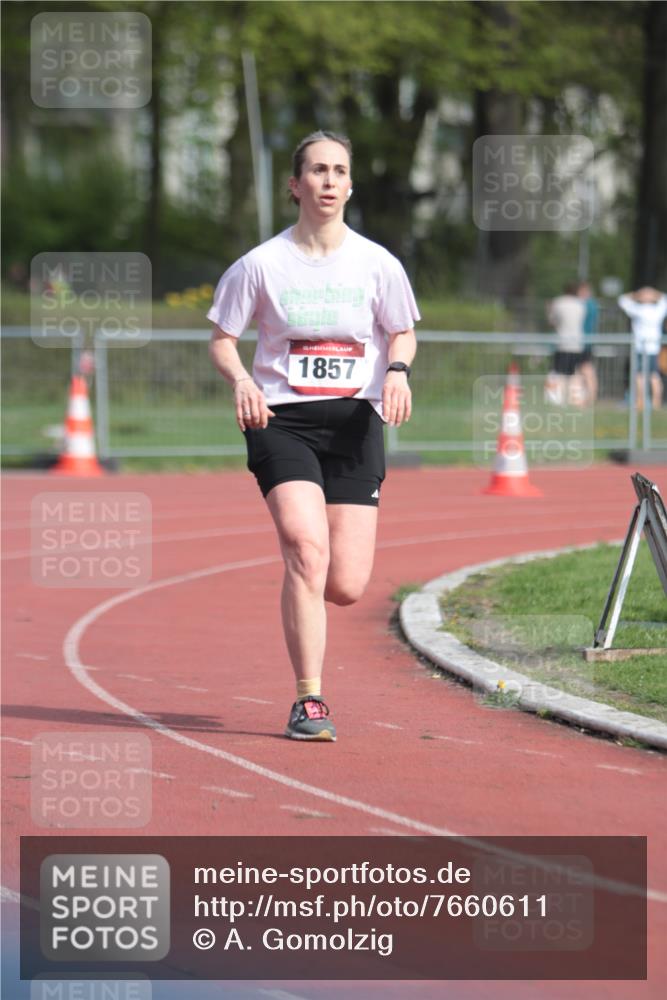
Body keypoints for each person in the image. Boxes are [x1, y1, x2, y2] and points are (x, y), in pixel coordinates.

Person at [207, 130, 419, 742]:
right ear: (295, 185)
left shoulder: (378, 263)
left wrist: (398, 372)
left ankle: (305, 595)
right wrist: (243, 380)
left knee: (346, 584)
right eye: (317, 171)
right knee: (306, 548)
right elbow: (223, 338)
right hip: (282, 421)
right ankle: (310, 700)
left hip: (355, 421)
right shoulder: (260, 264)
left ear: (351, 185)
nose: (329, 181)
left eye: (339, 171)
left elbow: (402, 332)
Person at [618, 286, 667, 410]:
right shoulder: (658, 310)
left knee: (639, 375)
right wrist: (654, 294)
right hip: (653, 347)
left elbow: (622, 300)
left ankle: (641, 401)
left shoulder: (638, 310)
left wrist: (637, 294)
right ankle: (656, 402)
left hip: (641, 347)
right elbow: (664, 299)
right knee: (654, 375)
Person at [546, 283, 586, 406]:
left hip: (562, 343)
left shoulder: (559, 302)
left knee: (560, 373)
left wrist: (548, 311)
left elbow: (553, 322)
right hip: (577, 344)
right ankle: (574, 399)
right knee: (574, 373)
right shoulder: (581, 304)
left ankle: (560, 399)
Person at [577, 281, 598, 403]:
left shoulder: (587, 305)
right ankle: (585, 397)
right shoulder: (591, 305)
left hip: (584, 342)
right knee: (583, 370)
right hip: (585, 341)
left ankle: (590, 396)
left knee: (586, 369)